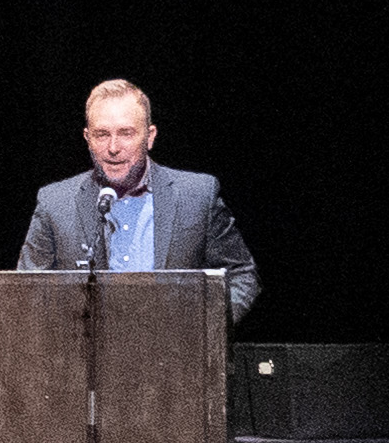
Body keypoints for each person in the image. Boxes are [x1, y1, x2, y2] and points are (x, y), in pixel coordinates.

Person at [15, 77, 261, 320]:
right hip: (86, 356)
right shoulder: (55, 203)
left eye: (126, 133)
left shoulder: (197, 196)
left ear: (150, 136)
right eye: (102, 134)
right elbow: (27, 290)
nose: (113, 147)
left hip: (175, 354)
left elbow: (241, 274)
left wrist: (206, 330)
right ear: (87, 138)